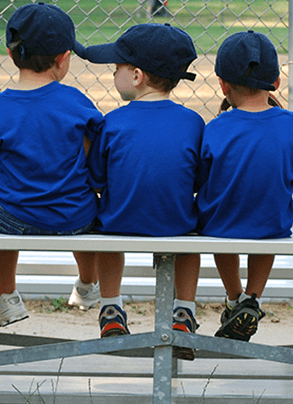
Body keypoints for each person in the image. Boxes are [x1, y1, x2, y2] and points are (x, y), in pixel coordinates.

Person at [0, 3, 103, 329]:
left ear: (10, 53)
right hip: (74, 217)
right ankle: (87, 285)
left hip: (12, 219)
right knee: (92, 209)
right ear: (63, 59)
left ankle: (6, 297)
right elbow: (93, 157)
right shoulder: (77, 102)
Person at [84, 23, 203, 360]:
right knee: (190, 239)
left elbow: (96, 181)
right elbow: (196, 180)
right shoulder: (193, 122)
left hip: (119, 224)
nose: (114, 73)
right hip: (175, 225)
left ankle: (110, 309)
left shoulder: (112, 122)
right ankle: (183, 312)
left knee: (105, 231)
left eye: (117, 67)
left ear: (136, 76)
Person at [196, 30, 293, 343]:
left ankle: (235, 298)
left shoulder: (215, 127)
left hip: (220, 225)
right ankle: (252, 297)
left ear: (223, 84)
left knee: (220, 222)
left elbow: (199, 181)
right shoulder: (292, 125)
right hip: (271, 224)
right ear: (275, 83)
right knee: (269, 223)